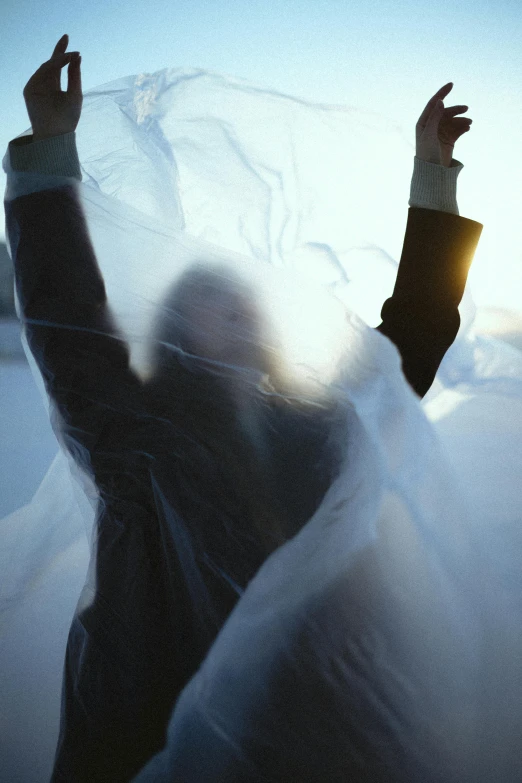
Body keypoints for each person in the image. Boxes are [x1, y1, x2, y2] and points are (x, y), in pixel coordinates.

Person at [4, 35, 482, 783]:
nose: (237, 316)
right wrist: (47, 157)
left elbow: (409, 341)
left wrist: (433, 172)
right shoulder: (134, 435)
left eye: (244, 306)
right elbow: (69, 322)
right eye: (211, 306)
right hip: (154, 733)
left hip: (311, 731)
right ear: (173, 330)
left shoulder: (316, 428)